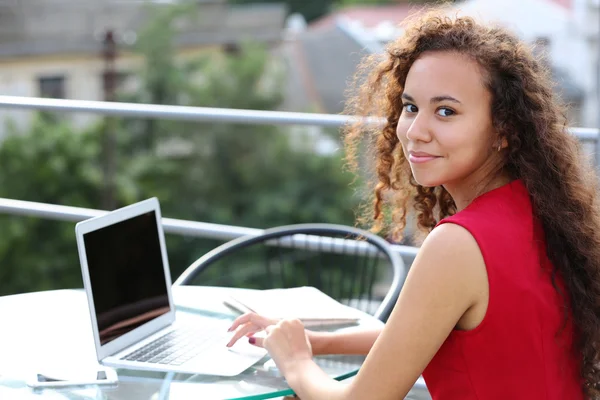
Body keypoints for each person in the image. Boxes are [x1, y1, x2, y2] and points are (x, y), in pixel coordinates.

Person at [226, 7, 600, 400]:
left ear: (504, 129)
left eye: (446, 111)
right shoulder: (535, 209)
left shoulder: (459, 244)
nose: (416, 132)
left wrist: (296, 362)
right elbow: (430, 329)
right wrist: (314, 342)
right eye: (410, 107)